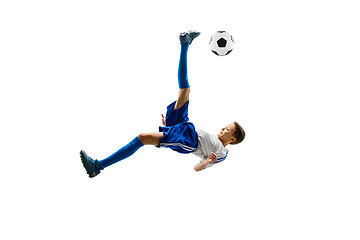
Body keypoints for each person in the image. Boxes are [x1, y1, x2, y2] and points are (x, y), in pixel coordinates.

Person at [80, 30, 245, 178]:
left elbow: (196, 168)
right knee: (185, 90)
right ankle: (185, 43)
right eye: (225, 126)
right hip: (184, 126)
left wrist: (207, 162)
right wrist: (171, 127)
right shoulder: (215, 139)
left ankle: (97, 166)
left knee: (142, 138)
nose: (222, 128)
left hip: (188, 140)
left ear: (232, 139)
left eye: (227, 129)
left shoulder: (222, 153)